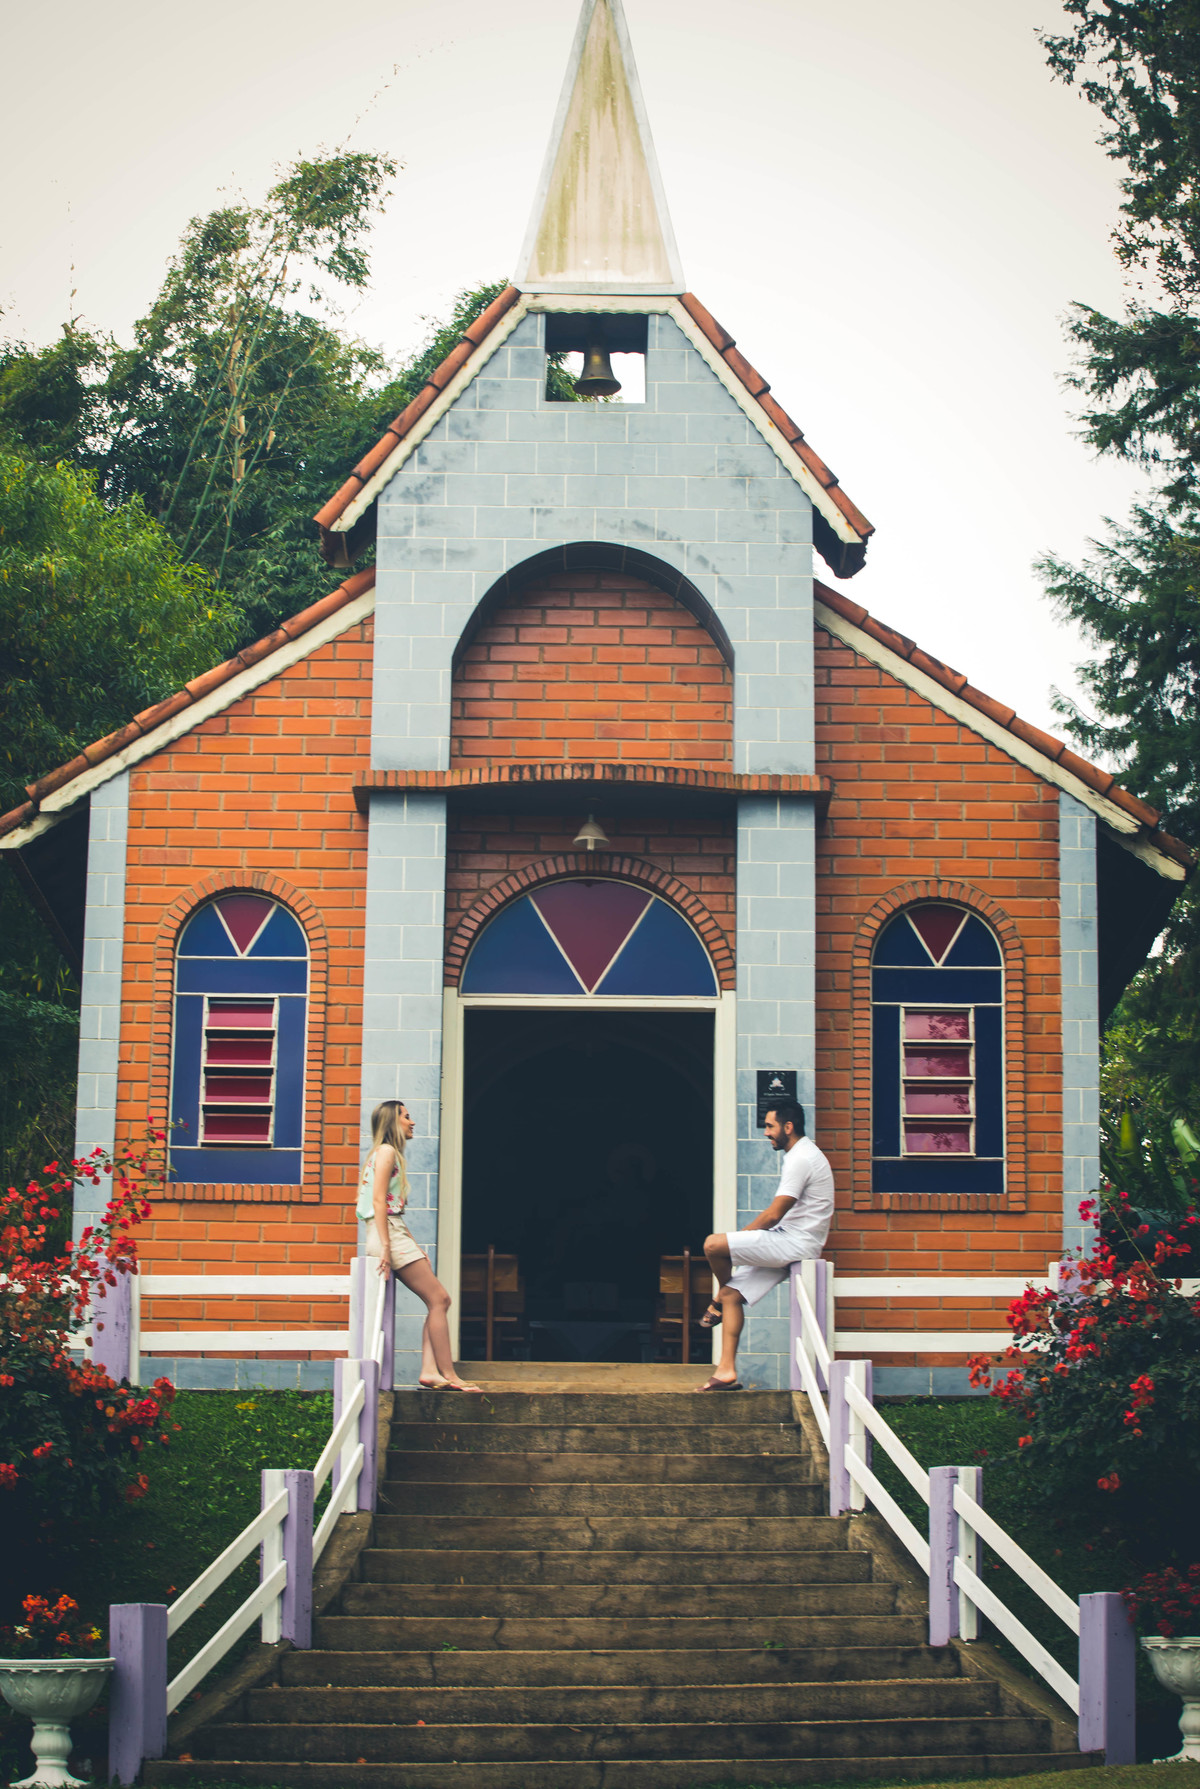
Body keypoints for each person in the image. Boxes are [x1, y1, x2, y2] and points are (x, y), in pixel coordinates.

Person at [695, 1099, 834, 1391]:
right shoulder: (802, 1154)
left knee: (712, 1245)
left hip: (794, 1242)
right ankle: (726, 1371)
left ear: (788, 1126)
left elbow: (773, 1215)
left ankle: (717, 1297)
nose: (766, 1132)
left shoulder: (801, 1158)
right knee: (733, 1295)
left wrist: (740, 1239)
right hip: (791, 1240)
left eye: (770, 1126)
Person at [359, 1098, 481, 1392]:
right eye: (406, 1116)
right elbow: (379, 1202)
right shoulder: (387, 1151)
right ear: (393, 1121)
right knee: (440, 1299)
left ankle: (429, 1371)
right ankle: (448, 1374)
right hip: (388, 1234)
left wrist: (412, 1243)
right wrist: (387, 1247)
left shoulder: (386, 1153)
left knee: (438, 1301)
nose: (412, 1122)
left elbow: (391, 1210)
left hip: (393, 1232)